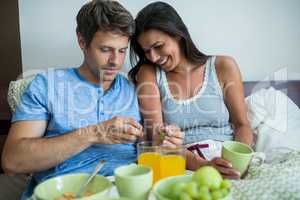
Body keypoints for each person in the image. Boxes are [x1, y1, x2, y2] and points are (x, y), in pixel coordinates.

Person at [1, 0, 143, 199]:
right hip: (66, 193)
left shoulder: (134, 89)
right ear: (82, 41)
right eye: (105, 50)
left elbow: (149, 147)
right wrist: (94, 133)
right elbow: (13, 161)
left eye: (122, 50)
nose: (116, 61)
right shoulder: (47, 85)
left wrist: (164, 139)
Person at [129, 1, 253, 179]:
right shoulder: (149, 73)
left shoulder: (223, 66)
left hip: (228, 159)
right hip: (183, 163)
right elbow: (157, 137)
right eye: (147, 51)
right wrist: (204, 166)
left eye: (158, 46)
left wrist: (236, 160)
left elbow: (243, 125)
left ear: (178, 35)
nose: (154, 57)